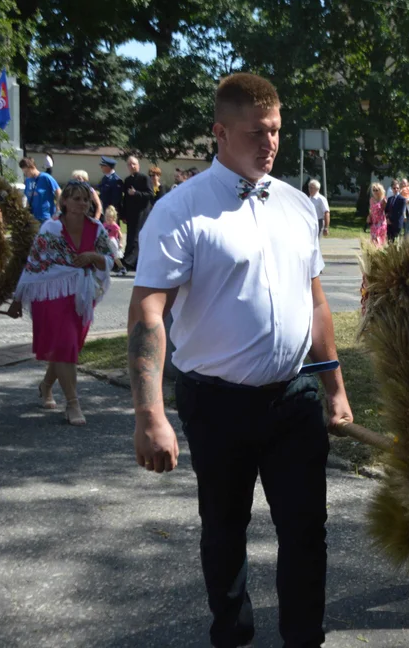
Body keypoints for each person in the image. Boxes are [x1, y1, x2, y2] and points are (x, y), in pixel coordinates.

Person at [129, 72, 353, 648]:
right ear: (220, 132)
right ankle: (232, 635)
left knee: (306, 531)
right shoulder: (181, 211)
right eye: (256, 132)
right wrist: (149, 415)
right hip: (217, 403)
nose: (269, 143)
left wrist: (335, 389)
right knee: (225, 532)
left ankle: (305, 639)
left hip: (295, 398)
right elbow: (148, 314)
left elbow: (317, 303)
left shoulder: (298, 207)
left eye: (276, 130)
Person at [7, 182, 114, 427]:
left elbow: (109, 258)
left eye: (86, 200)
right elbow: (34, 265)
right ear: (63, 201)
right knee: (65, 344)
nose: (81, 203)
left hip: (82, 294)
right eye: (76, 198)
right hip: (51, 295)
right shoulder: (51, 228)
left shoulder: (96, 228)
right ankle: (73, 403)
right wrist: (17, 299)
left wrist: (94, 257)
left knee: (68, 348)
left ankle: (45, 386)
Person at [121, 156, 154, 271]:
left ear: (138, 165)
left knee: (137, 237)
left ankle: (130, 261)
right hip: (131, 213)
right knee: (130, 236)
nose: (132, 166)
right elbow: (125, 199)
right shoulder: (128, 180)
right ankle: (129, 260)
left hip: (142, 212)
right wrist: (123, 214)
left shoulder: (144, 178)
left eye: (134, 164)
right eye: (129, 164)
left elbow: (150, 194)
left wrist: (136, 193)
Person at [22, 157, 61, 224]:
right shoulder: (28, 180)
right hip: (33, 217)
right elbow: (28, 197)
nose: (25, 174)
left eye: (26, 172)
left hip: (46, 216)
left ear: (32, 167)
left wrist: (58, 207)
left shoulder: (45, 177)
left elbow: (58, 191)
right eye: (24, 172)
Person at [102, 205, 127, 276]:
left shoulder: (114, 226)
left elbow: (121, 235)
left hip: (113, 242)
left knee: (115, 257)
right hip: (106, 242)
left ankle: (122, 268)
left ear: (113, 218)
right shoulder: (104, 224)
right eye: (106, 217)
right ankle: (104, 269)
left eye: (110, 218)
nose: (108, 219)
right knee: (105, 255)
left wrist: (121, 243)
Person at [367, 182, 387, 247]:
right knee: (373, 239)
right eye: (373, 190)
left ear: (380, 190)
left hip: (381, 222)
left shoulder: (383, 199)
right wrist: (369, 217)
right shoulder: (371, 199)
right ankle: (374, 253)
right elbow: (371, 210)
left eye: (376, 190)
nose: (375, 191)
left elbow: (386, 210)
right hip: (374, 222)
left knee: (378, 238)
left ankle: (379, 251)